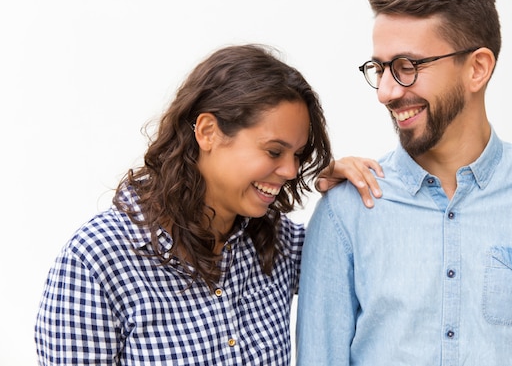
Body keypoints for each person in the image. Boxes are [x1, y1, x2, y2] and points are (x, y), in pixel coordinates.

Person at [296, 0, 512, 366]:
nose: (385, 91)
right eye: (379, 68)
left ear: (477, 68)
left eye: (407, 67)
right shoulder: (345, 212)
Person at [34, 44, 382, 365]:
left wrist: (344, 191)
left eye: (298, 155)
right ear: (208, 132)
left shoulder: (278, 244)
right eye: (275, 151)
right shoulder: (96, 261)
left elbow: (372, 281)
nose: (291, 171)